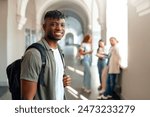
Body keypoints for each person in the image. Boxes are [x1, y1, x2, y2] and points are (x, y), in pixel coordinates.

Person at [20, 10, 71, 100]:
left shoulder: (59, 51)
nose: (59, 28)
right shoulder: (34, 54)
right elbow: (27, 99)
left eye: (62, 25)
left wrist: (62, 80)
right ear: (44, 27)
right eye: (53, 24)